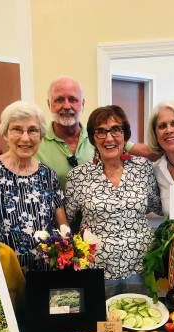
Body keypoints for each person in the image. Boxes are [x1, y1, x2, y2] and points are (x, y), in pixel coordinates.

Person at [0, 76, 157, 190]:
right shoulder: (35, 141)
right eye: (59, 100)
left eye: (73, 99)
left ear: (82, 104)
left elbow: (148, 152)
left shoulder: (101, 137)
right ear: (49, 104)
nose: (66, 106)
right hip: (53, 232)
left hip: (96, 228)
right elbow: (10, 157)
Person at [65, 105, 162, 297]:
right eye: (100, 131)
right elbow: (68, 220)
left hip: (140, 267)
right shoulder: (78, 176)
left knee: (141, 322)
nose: (109, 138)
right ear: (93, 138)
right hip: (96, 269)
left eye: (116, 130)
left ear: (125, 135)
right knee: (100, 324)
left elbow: (156, 206)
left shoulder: (143, 168)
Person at [0, 101, 68, 272]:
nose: (25, 138)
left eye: (32, 130)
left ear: (41, 135)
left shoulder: (48, 175)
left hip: (45, 274)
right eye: (17, 129)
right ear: (5, 134)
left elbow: (63, 227)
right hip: (5, 271)